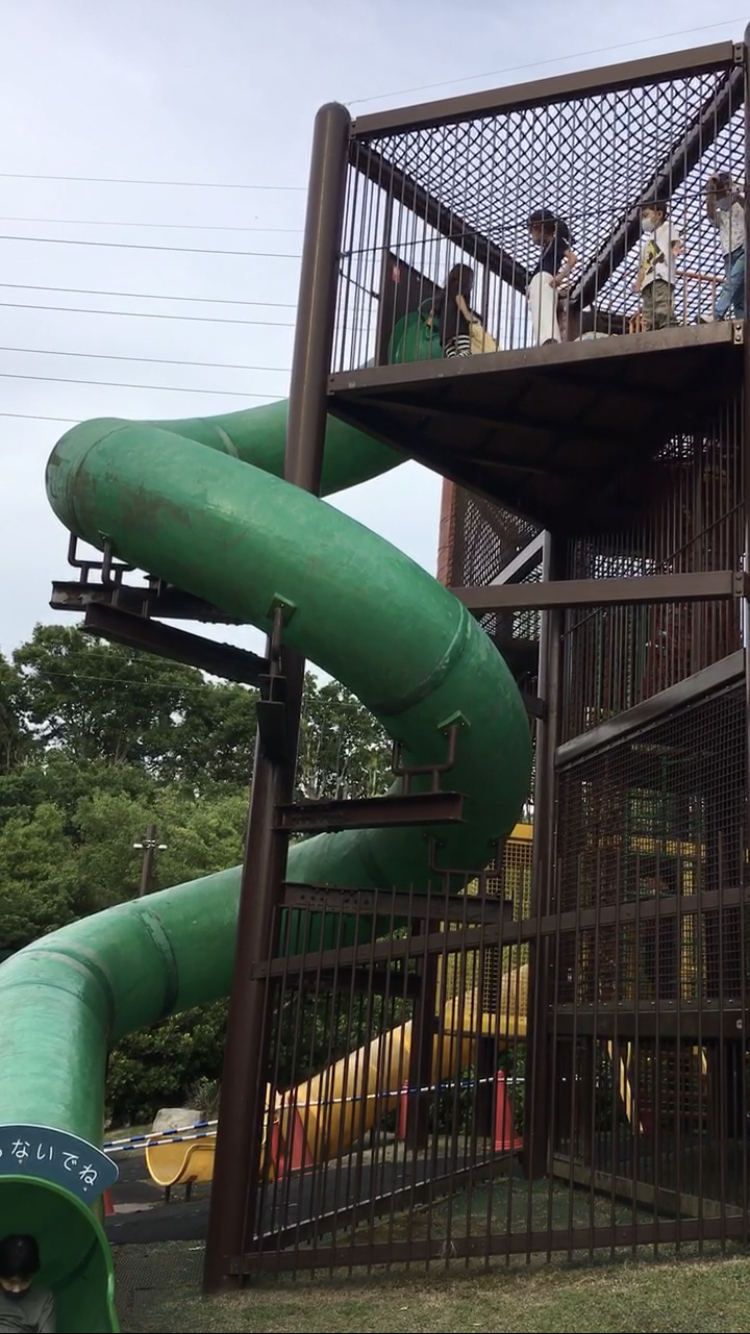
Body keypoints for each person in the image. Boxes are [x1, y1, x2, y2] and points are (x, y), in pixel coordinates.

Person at [698, 171, 745, 322]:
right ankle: (742, 321)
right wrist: (710, 191)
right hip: (728, 255)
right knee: (738, 294)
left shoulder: (741, 206)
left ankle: (717, 314)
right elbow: (710, 214)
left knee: (731, 283)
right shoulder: (721, 215)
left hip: (744, 250)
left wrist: (735, 192)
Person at [526, 209, 578, 345]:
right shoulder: (547, 248)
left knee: (545, 313)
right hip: (539, 282)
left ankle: (550, 340)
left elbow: (572, 259)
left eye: (531, 230)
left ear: (539, 228)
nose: (531, 234)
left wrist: (559, 278)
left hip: (545, 281)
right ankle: (545, 341)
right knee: (540, 314)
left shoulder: (557, 242)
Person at [633, 198, 683, 330]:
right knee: (648, 313)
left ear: (659, 214)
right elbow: (643, 265)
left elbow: (675, 241)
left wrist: (676, 248)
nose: (644, 221)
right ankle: (651, 332)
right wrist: (639, 282)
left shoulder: (667, 228)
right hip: (647, 282)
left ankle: (669, 327)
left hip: (661, 276)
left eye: (646, 216)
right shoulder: (647, 242)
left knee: (662, 306)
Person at [0, 1236, 55, 1333]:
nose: (17, 1289)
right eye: (10, 1282)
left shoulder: (43, 1298)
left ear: (33, 1274)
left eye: (24, 1281)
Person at [432, 263, 475, 357]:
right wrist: (467, 315)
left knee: (453, 358)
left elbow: (433, 312)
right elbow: (459, 298)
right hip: (459, 330)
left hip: (445, 335)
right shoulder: (460, 288)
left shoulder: (444, 293)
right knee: (467, 354)